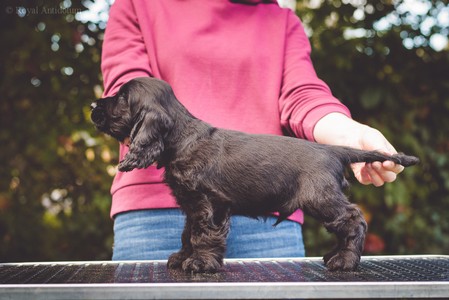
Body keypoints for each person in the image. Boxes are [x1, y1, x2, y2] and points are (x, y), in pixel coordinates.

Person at [101, 0, 405, 261]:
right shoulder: (136, 4)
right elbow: (127, 95)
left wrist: (350, 135)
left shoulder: (281, 20)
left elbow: (302, 94)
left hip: (266, 211)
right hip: (155, 215)